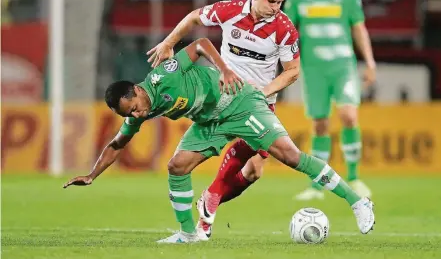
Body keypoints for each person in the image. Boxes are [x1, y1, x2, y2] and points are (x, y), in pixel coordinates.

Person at [63, 38, 375, 243]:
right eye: (130, 114)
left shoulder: (164, 75)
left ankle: (357, 201)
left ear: (137, 91)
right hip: (209, 121)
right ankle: (188, 234)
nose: (138, 115)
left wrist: (225, 69)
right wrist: (92, 175)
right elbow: (117, 143)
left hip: (238, 102)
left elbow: (199, 45)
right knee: (178, 165)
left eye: (135, 108)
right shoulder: (137, 112)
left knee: (290, 156)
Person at [146, 0, 300, 238]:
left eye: (280, 1)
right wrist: (169, 42)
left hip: (259, 100)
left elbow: (292, 71)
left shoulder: (285, 28)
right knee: (191, 161)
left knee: (253, 172)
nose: (276, 7)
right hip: (223, 96)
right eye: (271, 0)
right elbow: (194, 17)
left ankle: (209, 197)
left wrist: (261, 94)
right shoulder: (231, 10)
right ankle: (209, 201)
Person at [283, 0, 376, 201]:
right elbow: (286, 30)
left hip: (343, 66)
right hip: (313, 69)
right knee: (320, 124)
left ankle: (354, 177)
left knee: (348, 115)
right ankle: (317, 186)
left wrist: (370, 61)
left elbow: (358, 27)